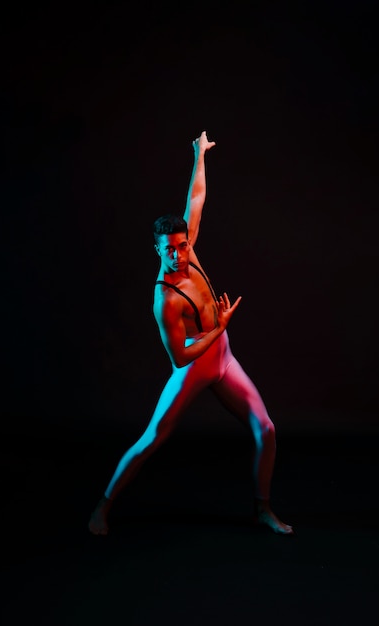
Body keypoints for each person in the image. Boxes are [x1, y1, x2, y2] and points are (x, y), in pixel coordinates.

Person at [88, 131, 293, 536]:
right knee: (152, 438)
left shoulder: (190, 252)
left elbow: (195, 200)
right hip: (195, 367)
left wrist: (200, 154)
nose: (179, 255)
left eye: (182, 245)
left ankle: (263, 509)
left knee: (266, 429)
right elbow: (179, 358)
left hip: (224, 359)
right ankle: (103, 506)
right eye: (171, 249)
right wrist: (219, 327)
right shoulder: (164, 299)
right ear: (157, 249)